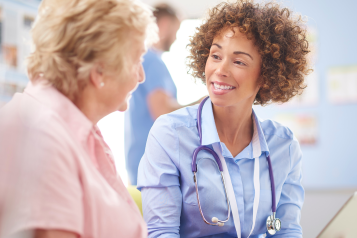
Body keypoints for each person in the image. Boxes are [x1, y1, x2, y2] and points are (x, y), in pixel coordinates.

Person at [137, 0, 310, 237]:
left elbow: (287, 230)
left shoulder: (284, 145)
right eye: (215, 56)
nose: (221, 69)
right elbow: (161, 232)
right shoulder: (171, 134)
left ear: (267, 76)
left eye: (239, 61)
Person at [0, 0, 157, 237]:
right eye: (137, 61)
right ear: (99, 71)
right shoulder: (44, 135)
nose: (142, 76)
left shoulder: (75, 128)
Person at [124, 3, 203, 185]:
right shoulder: (153, 62)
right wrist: (201, 103)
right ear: (165, 24)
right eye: (176, 29)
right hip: (152, 168)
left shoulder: (143, 59)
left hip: (140, 163)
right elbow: (162, 111)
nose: (175, 37)